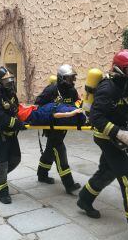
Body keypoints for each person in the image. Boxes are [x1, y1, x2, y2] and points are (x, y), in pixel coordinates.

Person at [77, 49, 128, 240]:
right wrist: (118, 133)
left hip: (120, 136)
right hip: (106, 138)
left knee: (107, 172)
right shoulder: (108, 88)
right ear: (120, 69)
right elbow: (96, 117)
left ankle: (84, 199)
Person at [35, 64, 81, 194]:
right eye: (70, 78)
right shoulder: (51, 90)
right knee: (60, 151)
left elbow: (77, 103)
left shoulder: (72, 91)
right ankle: (69, 184)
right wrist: (53, 112)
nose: (72, 81)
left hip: (63, 126)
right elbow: (38, 104)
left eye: (73, 78)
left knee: (50, 149)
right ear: (61, 78)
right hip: (52, 127)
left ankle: (42, 174)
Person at [0, 66, 26, 204]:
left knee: (15, 159)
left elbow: (15, 110)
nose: (10, 83)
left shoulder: (11, 94)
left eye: (11, 80)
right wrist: (17, 124)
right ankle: (1, 192)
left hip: (11, 133)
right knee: (2, 163)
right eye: (6, 81)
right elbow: (0, 118)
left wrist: (24, 118)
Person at [17, 102, 86, 126]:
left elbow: (54, 115)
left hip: (37, 114)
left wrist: (71, 113)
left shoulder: (74, 113)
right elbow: (54, 115)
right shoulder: (74, 111)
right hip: (39, 112)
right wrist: (71, 113)